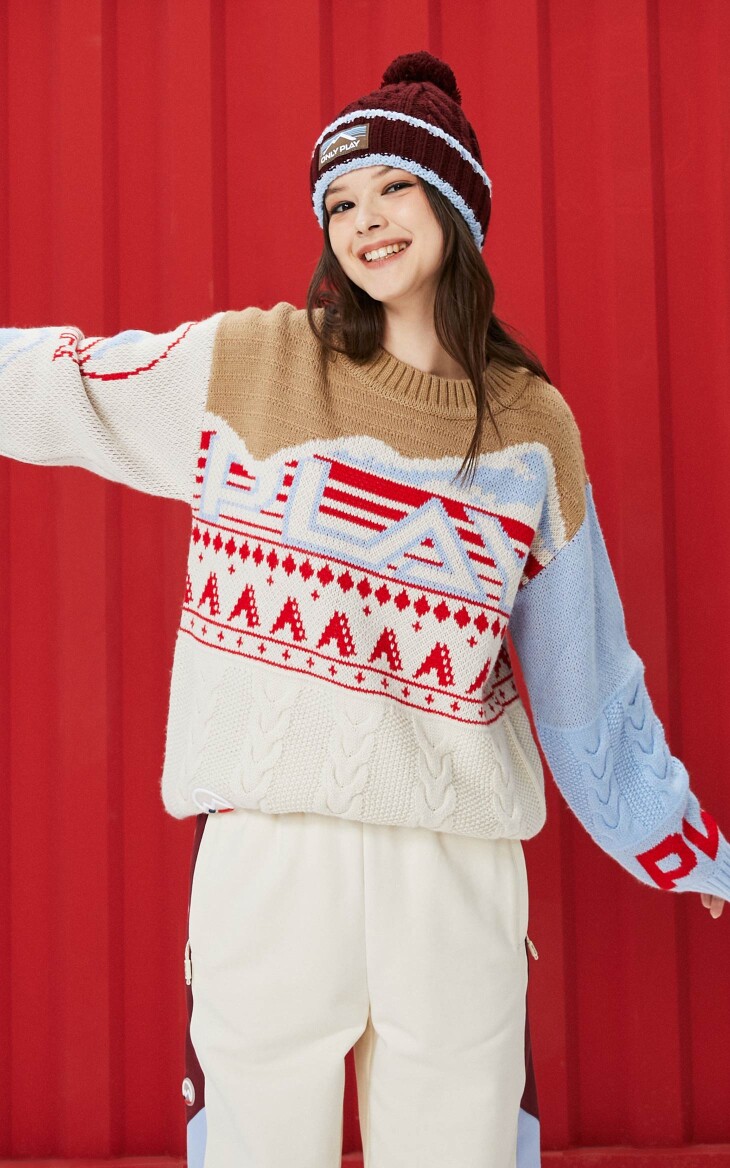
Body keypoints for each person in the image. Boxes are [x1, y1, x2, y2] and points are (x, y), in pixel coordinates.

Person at [1, 48, 727, 1168]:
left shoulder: (532, 430)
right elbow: (71, 386)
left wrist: (677, 842)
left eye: (393, 187)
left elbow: (586, 685)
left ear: (456, 207)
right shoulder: (251, 364)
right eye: (339, 202)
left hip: (454, 872)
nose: (365, 221)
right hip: (269, 858)